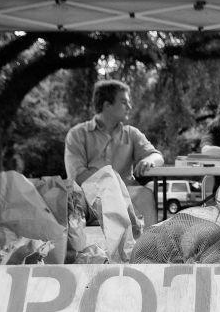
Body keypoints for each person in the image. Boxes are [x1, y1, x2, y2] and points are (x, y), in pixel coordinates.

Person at [64, 79, 163, 226]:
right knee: (68, 201)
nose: (129, 106)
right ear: (107, 105)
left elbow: (157, 156)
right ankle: (73, 248)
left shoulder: (132, 134)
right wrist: (112, 184)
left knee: (145, 195)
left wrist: (150, 160)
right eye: (124, 102)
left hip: (124, 197)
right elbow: (77, 175)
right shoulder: (77, 134)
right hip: (89, 197)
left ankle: (151, 247)